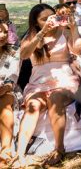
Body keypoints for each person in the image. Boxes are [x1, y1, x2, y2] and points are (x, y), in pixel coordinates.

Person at [16, 3, 81, 166]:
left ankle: (59, 149)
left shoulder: (65, 31)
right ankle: (19, 153)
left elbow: (78, 50)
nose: (49, 20)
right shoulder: (32, 36)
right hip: (38, 82)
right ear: (36, 22)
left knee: (55, 98)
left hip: (64, 79)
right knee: (33, 105)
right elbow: (24, 54)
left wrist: (73, 28)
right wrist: (43, 32)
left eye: (51, 16)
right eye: (43, 19)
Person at [0, 21, 20, 164]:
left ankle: (6, 149)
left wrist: (5, 87)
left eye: (6, 32)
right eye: (0, 31)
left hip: (8, 90)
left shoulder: (13, 52)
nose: (2, 35)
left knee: (5, 102)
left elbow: (13, 77)